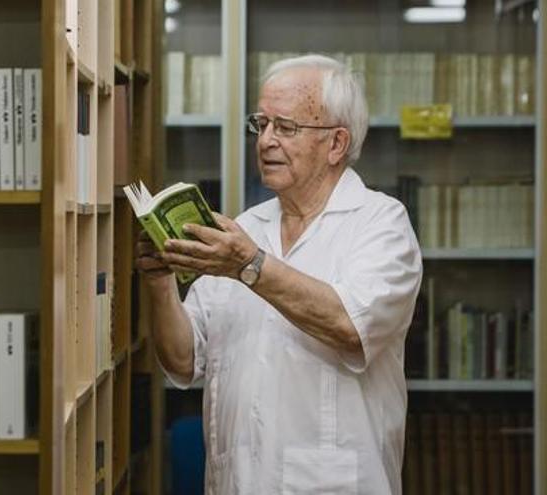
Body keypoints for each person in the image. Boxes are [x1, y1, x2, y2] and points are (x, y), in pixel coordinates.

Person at [136, 54, 422, 494]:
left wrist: (250, 266)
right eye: (260, 124)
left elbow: (351, 325)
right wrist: (158, 281)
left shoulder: (380, 223)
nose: (266, 141)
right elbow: (183, 361)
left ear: (336, 144)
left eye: (285, 127)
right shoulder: (245, 229)